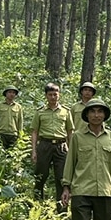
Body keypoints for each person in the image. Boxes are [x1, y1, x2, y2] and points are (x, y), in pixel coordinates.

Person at [31, 83, 74, 211]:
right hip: (44, 145)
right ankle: (37, 206)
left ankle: (62, 209)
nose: (53, 97)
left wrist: (71, 150)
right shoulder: (40, 112)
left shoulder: (66, 111)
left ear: (59, 95)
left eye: (55, 94)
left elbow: (70, 131)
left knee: (62, 177)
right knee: (40, 175)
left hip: (61, 146)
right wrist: (34, 150)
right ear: (46, 96)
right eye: (50, 94)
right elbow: (34, 132)